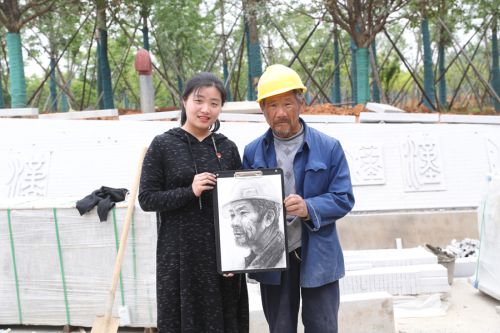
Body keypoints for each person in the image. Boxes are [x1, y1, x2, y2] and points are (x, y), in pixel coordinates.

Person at [242, 64, 355, 333]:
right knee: (280, 327)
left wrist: (309, 207)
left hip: (317, 253)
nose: (280, 113)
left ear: (301, 103)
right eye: (271, 106)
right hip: (272, 257)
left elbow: (343, 197)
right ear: (262, 109)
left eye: (287, 104)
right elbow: (243, 204)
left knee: (322, 326)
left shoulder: (328, 147)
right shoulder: (252, 151)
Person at [139, 72, 249, 333]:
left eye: (214, 103)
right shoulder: (163, 145)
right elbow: (147, 198)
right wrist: (190, 191)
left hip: (221, 258)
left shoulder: (227, 147)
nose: (206, 109)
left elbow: (240, 200)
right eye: (199, 101)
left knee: (225, 320)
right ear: (184, 100)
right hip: (179, 257)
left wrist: (236, 257)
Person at [223, 179, 286, 270]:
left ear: (269, 217)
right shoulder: (252, 259)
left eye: (243, 213)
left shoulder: (281, 259)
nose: (234, 223)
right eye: (232, 214)